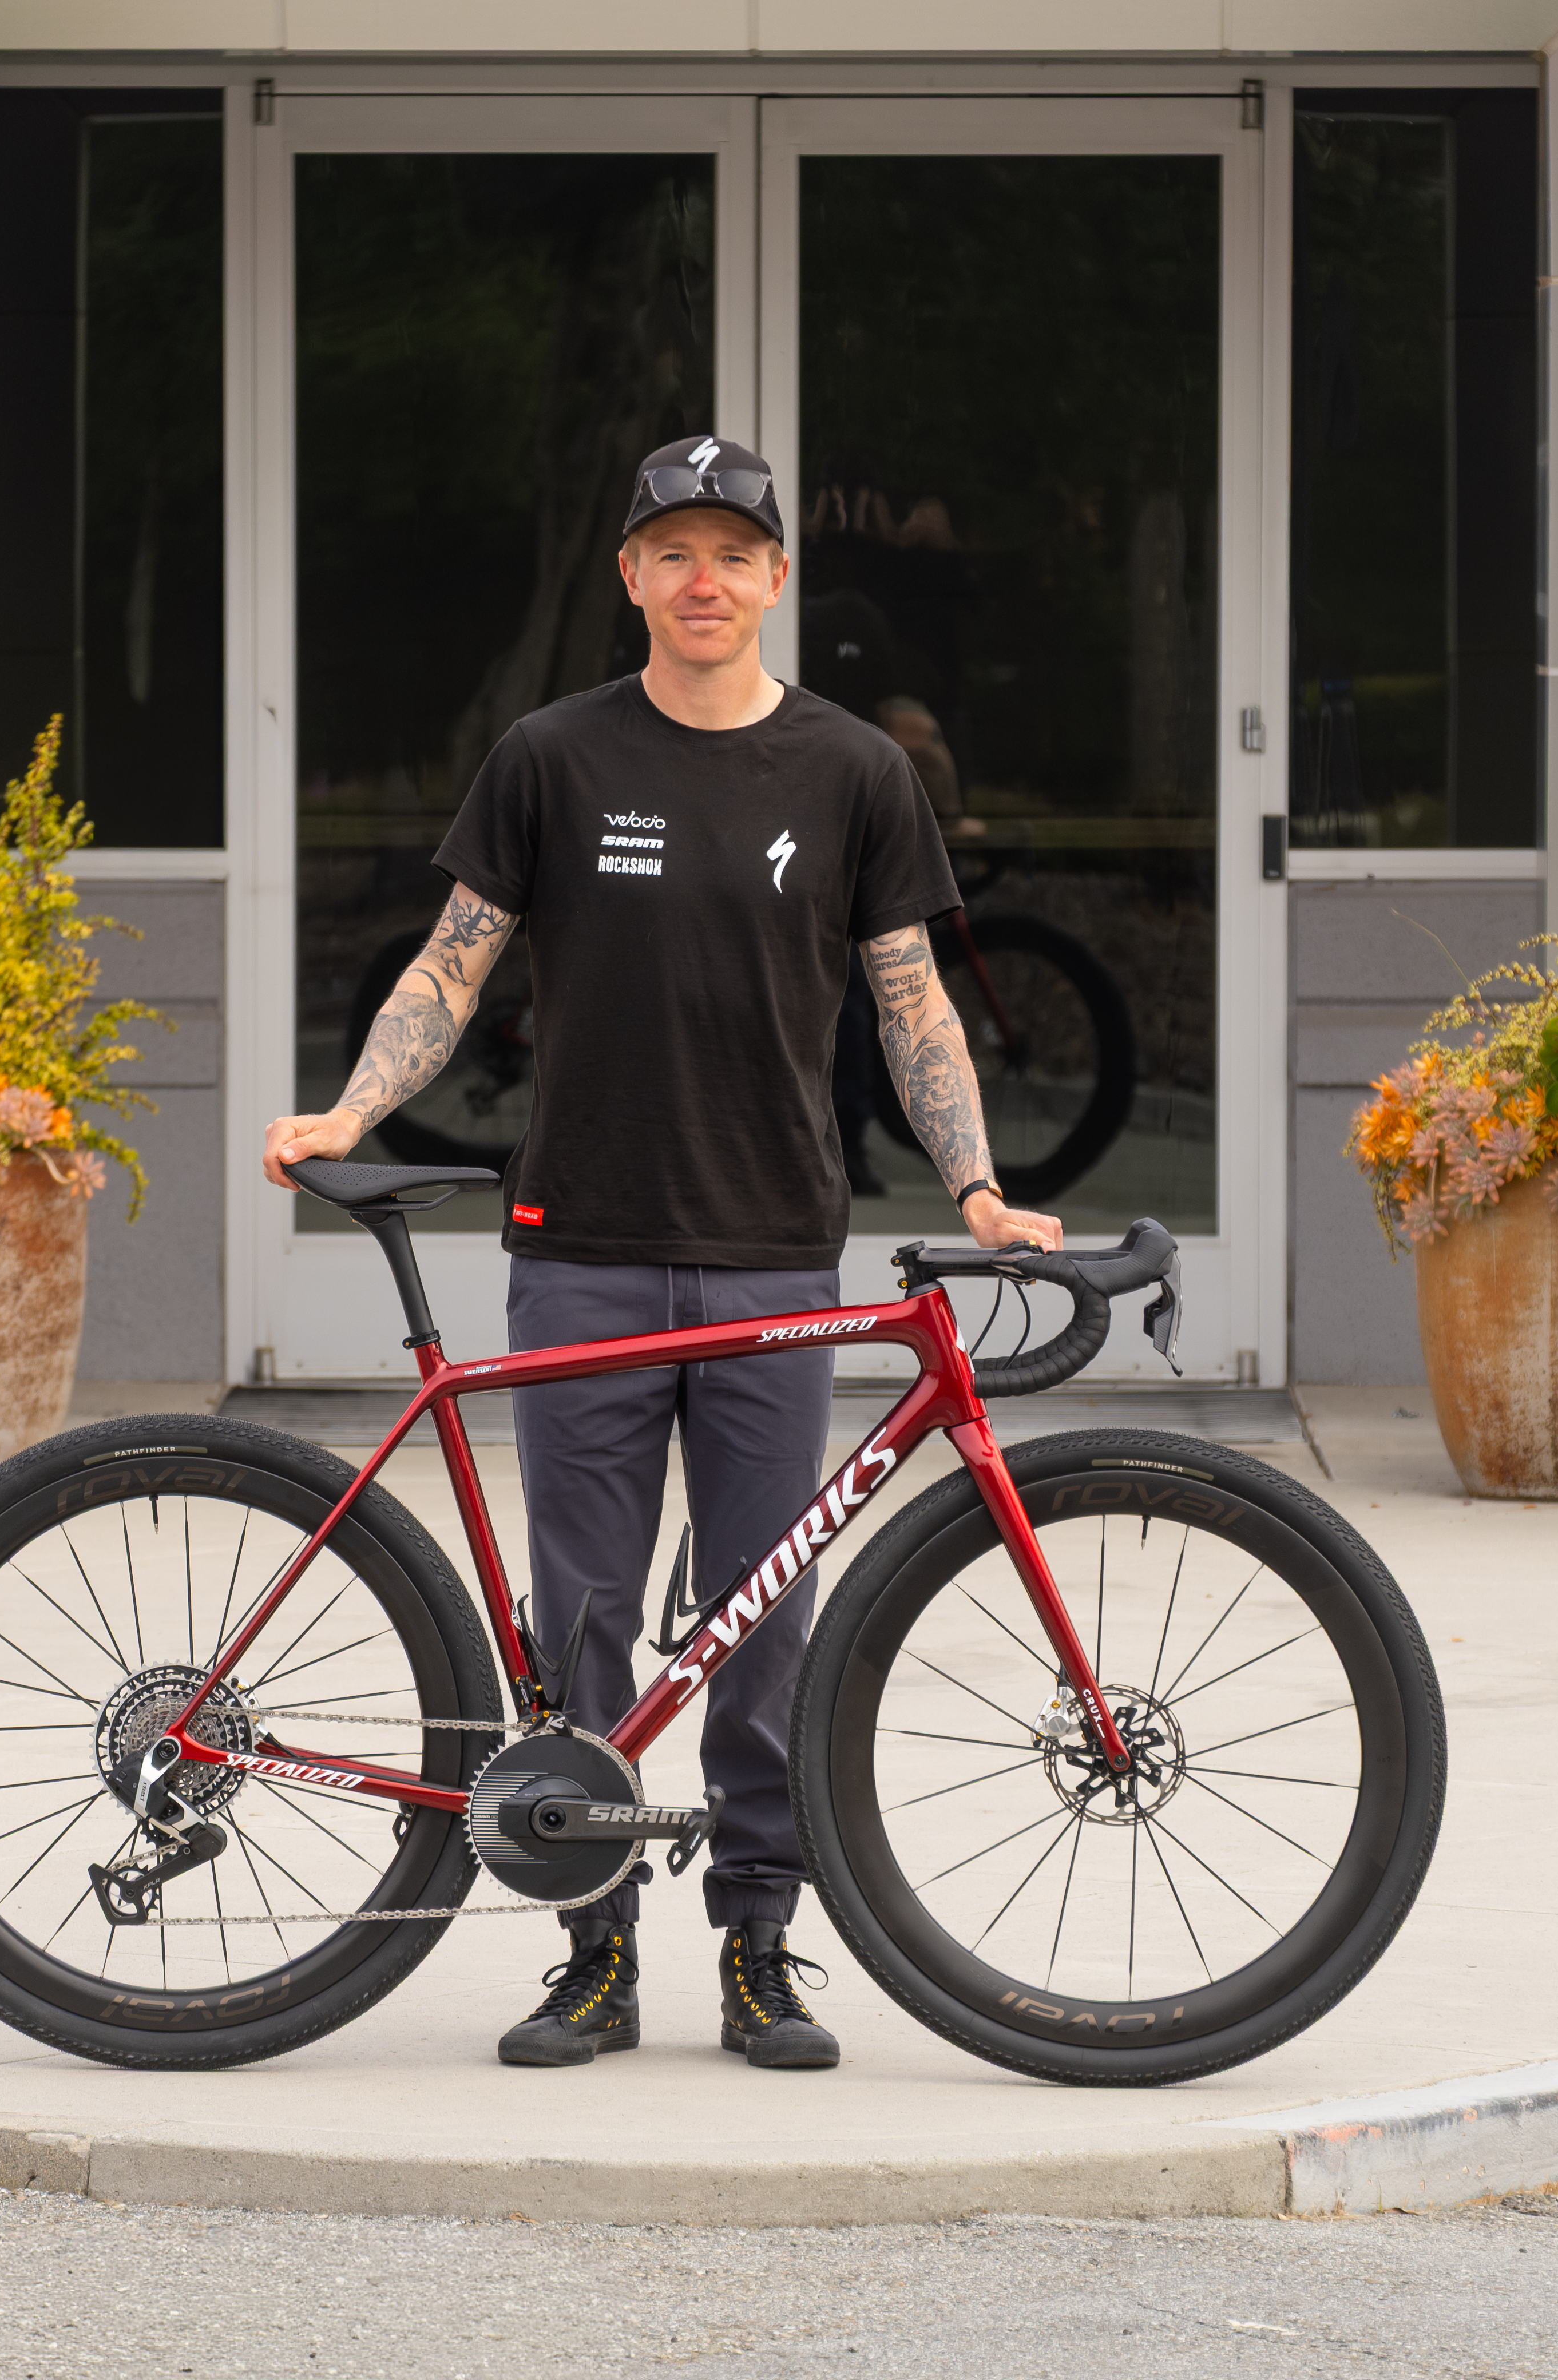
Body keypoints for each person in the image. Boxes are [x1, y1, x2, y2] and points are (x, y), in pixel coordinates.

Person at [259, 434, 1063, 2074]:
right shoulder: (553, 757)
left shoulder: (854, 774)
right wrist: (350, 1111)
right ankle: (593, 1949)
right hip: (585, 1248)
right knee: (587, 1622)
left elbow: (911, 997)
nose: (704, 582)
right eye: (672, 553)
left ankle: (761, 1947)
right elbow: (455, 960)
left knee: (766, 1620)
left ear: (777, 579)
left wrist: (975, 1189)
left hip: (777, 1251)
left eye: (733, 554)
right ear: (631, 577)